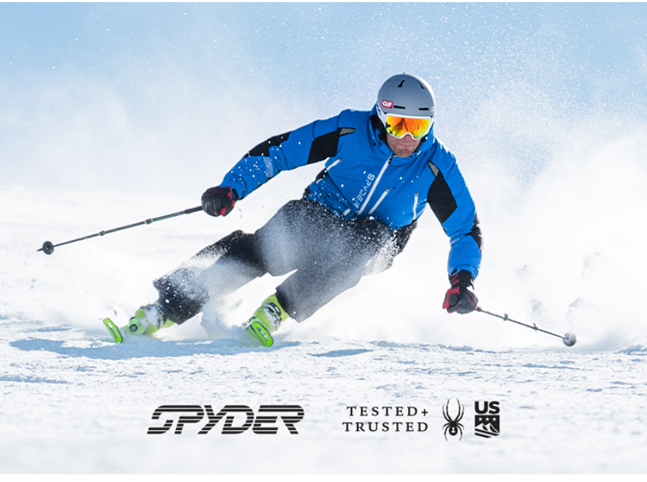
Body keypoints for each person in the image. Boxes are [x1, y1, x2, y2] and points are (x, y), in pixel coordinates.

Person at [104, 73, 482, 346]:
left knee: (365, 244)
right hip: (322, 211)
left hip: (379, 238)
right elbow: (282, 150)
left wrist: (462, 281)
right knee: (268, 246)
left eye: (418, 126)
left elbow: (464, 229)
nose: (408, 137)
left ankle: (278, 309)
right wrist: (233, 187)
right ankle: (165, 307)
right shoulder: (349, 129)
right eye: (398, 125)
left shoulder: (438, 165)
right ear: (381, 117)